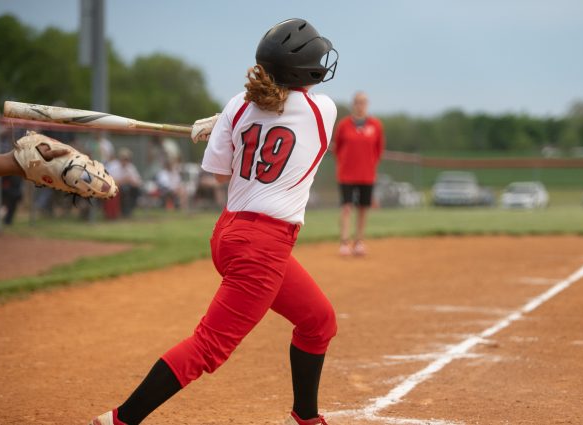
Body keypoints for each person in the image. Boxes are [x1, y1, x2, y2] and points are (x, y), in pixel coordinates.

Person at [88, 18, 339, 425]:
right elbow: (279, 115)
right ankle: (120, 420)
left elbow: (221, 171)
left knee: (318, 320)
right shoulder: (321, 109)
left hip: (230, 234)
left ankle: (306, 417)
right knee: (208, 348)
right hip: (263, 247)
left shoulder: (238, 105)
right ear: (303, 72)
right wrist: (225, 120)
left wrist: (225, 122)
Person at [333, 91, 385, 256]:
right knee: (347, 207)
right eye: (357, 102)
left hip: (367, 174)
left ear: (367, 104)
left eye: (363, 102)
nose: (360, 105)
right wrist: (344, 162)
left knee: (363, 208)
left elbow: (379, 149)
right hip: (346, 174)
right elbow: (337, 147)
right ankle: (344, 242)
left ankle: (359, 241)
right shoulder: (344, 125)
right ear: (353, 104)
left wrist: (369, 164)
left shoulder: (375, 125)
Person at [106, 148, 143, 218]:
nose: (125, 161)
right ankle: (118, 213)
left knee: (136, 190)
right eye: (124, 159)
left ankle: (128, 211)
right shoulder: (113, 166)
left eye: (127, 159)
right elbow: (110, 181)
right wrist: (124, 180)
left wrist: (132, 181)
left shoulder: (131, 167)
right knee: (123, 190)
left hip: (128, 188)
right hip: (116, 188)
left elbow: (138, 181)